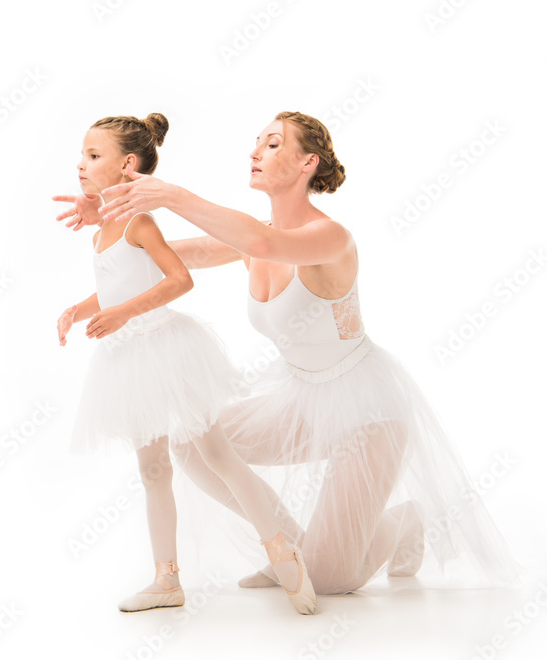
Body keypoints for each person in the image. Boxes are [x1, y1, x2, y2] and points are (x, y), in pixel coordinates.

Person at [55, 110, 519, 594]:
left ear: (306, 163)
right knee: (192, 442)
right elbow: (168, 254)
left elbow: (265, 241)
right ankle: (289, 550)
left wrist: (172, 194)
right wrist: (105, 215)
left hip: (368, 414)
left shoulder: (329, 238)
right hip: (301, 400)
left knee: (334, 581)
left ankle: (404, 522)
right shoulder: (250, 237)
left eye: (273, 144)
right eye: (257, 142)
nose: (255, 152)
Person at [58, 112, 317, 613]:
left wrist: (120, 313)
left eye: (93, 156)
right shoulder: (105, 226)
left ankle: (280, 546)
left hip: (163, 351)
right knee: (153, 470)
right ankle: (166, 579)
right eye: (82, 155)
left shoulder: (139, 221)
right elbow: (120, 283)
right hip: (127, 360)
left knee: (217, 454)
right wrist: (80, 309)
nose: (81, 164)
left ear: (127, 164)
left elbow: (179, 280)